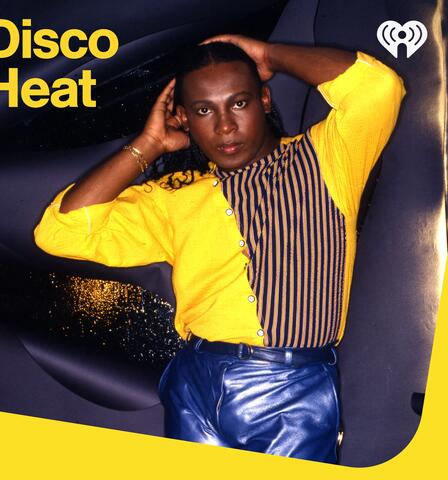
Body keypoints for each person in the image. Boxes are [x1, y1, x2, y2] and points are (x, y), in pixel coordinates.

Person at [34, 35, 405, 462]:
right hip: (196, 379)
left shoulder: (326, 158)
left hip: (290, 388)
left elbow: (379, 87)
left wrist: (268, 55)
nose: (225, 126)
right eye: (204, 110)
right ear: (183, 119)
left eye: (239, 103)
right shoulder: (174, 197)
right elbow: (60, 232)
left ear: (264, 100)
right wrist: (148, 145)